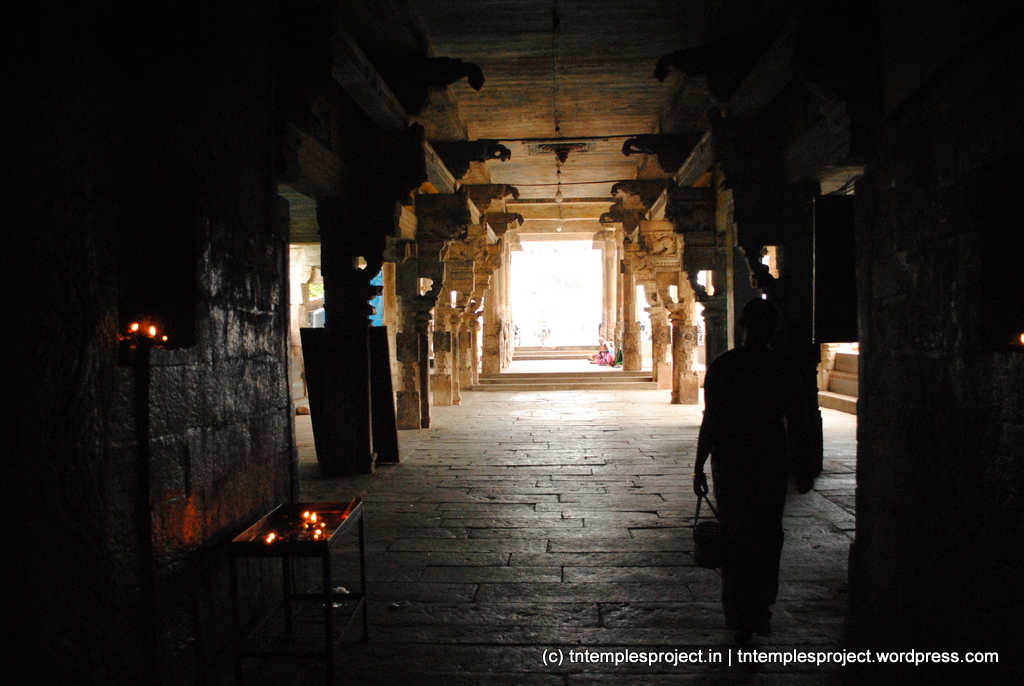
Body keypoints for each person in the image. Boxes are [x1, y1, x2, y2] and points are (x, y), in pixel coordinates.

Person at [693, 298, 814, 645]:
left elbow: (711, 419)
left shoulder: (725, 365)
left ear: (742, 325)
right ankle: (759, 607)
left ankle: (739, 612)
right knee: (766, 534)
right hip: (769, 460)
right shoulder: (782, 366)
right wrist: (804, 464)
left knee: (736, 534)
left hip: (732, 461)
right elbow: (797, 421)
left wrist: (699, 465)